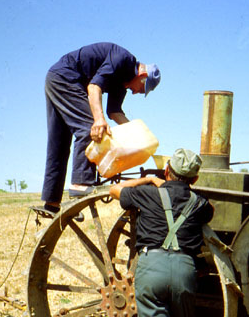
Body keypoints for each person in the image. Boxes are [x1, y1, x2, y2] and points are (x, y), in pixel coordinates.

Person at [109, 148, 214, 317]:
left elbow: (115, 190)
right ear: (195, 179)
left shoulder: (149, 193)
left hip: (152, 270)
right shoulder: (199, 203)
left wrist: (148, 180)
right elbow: (211, 210)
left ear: (167, 171)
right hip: (184, 272)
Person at [39, 42, 161, 217]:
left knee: (59, 142)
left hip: (56, 78)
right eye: (141, 89)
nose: (136, 93)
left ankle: (51, 202)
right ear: (142, 75)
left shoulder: (123, 82)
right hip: (66, 79)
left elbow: (115, 112)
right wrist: (98, 120)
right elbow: (94, 87)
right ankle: (80, 186)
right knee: (93, 130)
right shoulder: (123, 59)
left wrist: (140, 136)